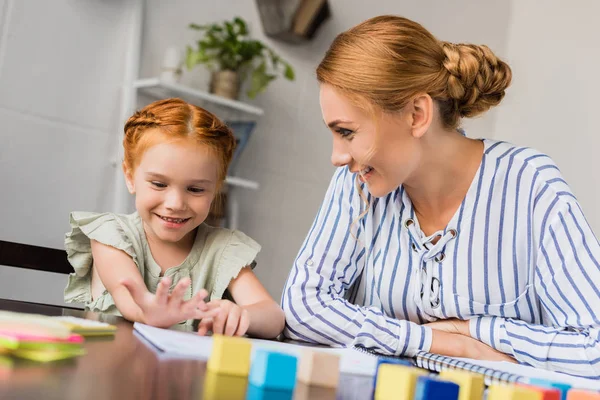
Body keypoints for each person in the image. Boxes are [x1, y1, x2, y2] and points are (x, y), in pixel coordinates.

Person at [282, 15, 600, 377]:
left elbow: (595, 349)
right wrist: (430, 342)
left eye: (347, 132)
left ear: (417, 115)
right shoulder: (358, 182)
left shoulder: (530, 184)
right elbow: (302, 307)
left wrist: (473, 331)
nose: (337, 156)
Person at [64, 98, 284, 338]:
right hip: (113, 370)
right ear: (130, 176)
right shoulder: (110, 235)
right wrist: (148, 311)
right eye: (159, 184)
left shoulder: (223, 248)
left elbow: (273, 317)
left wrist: (243, 315)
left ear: (216, 188)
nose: (175, 204)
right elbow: (130, 298)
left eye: (196, 189)